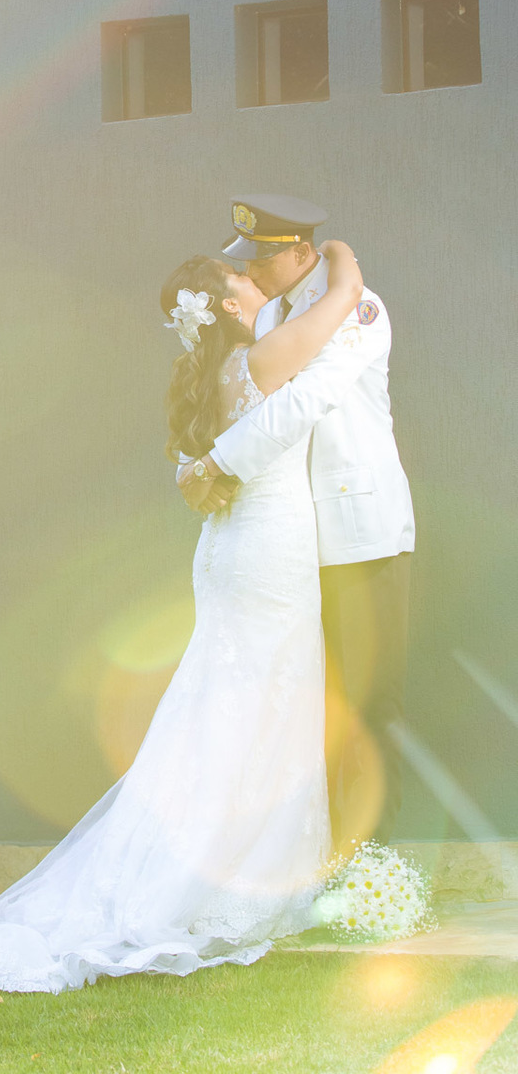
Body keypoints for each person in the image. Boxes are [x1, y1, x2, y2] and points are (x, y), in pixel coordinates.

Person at [0, 239, 364, 994]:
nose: (254, 277)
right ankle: (224, 882)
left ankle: (221, 866)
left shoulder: (206, 374)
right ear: (232, 306)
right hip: (267, 555)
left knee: (223, 709)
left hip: (227, 552)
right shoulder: (262, 359)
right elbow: (342, 301)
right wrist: (336, 251)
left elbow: (195, 466)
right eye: (242, 276)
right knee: (264, 708)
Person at [181, 195, 415, 850]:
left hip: (358, 531)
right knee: (312, 708)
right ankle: (312, 857)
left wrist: (217, 464)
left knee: (369, 705)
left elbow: (310, 397)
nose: (250, 271)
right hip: (290, 539)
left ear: (301, 253)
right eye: (245, 260)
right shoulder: (273, 314)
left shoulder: (358, 309)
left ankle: (370, 866)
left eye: (260, 258)